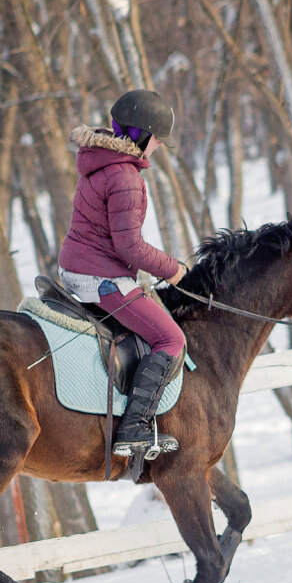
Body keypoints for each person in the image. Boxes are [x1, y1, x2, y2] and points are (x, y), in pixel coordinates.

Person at [57, 89, 188, 458]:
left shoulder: (100, 160)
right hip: (101, 278)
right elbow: (129, 247)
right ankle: (134, 427)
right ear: (142, 135)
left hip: (79, 266)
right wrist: (174, 269)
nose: (159, 147)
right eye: (158, 139)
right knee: (170, 340)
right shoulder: (124, 175)